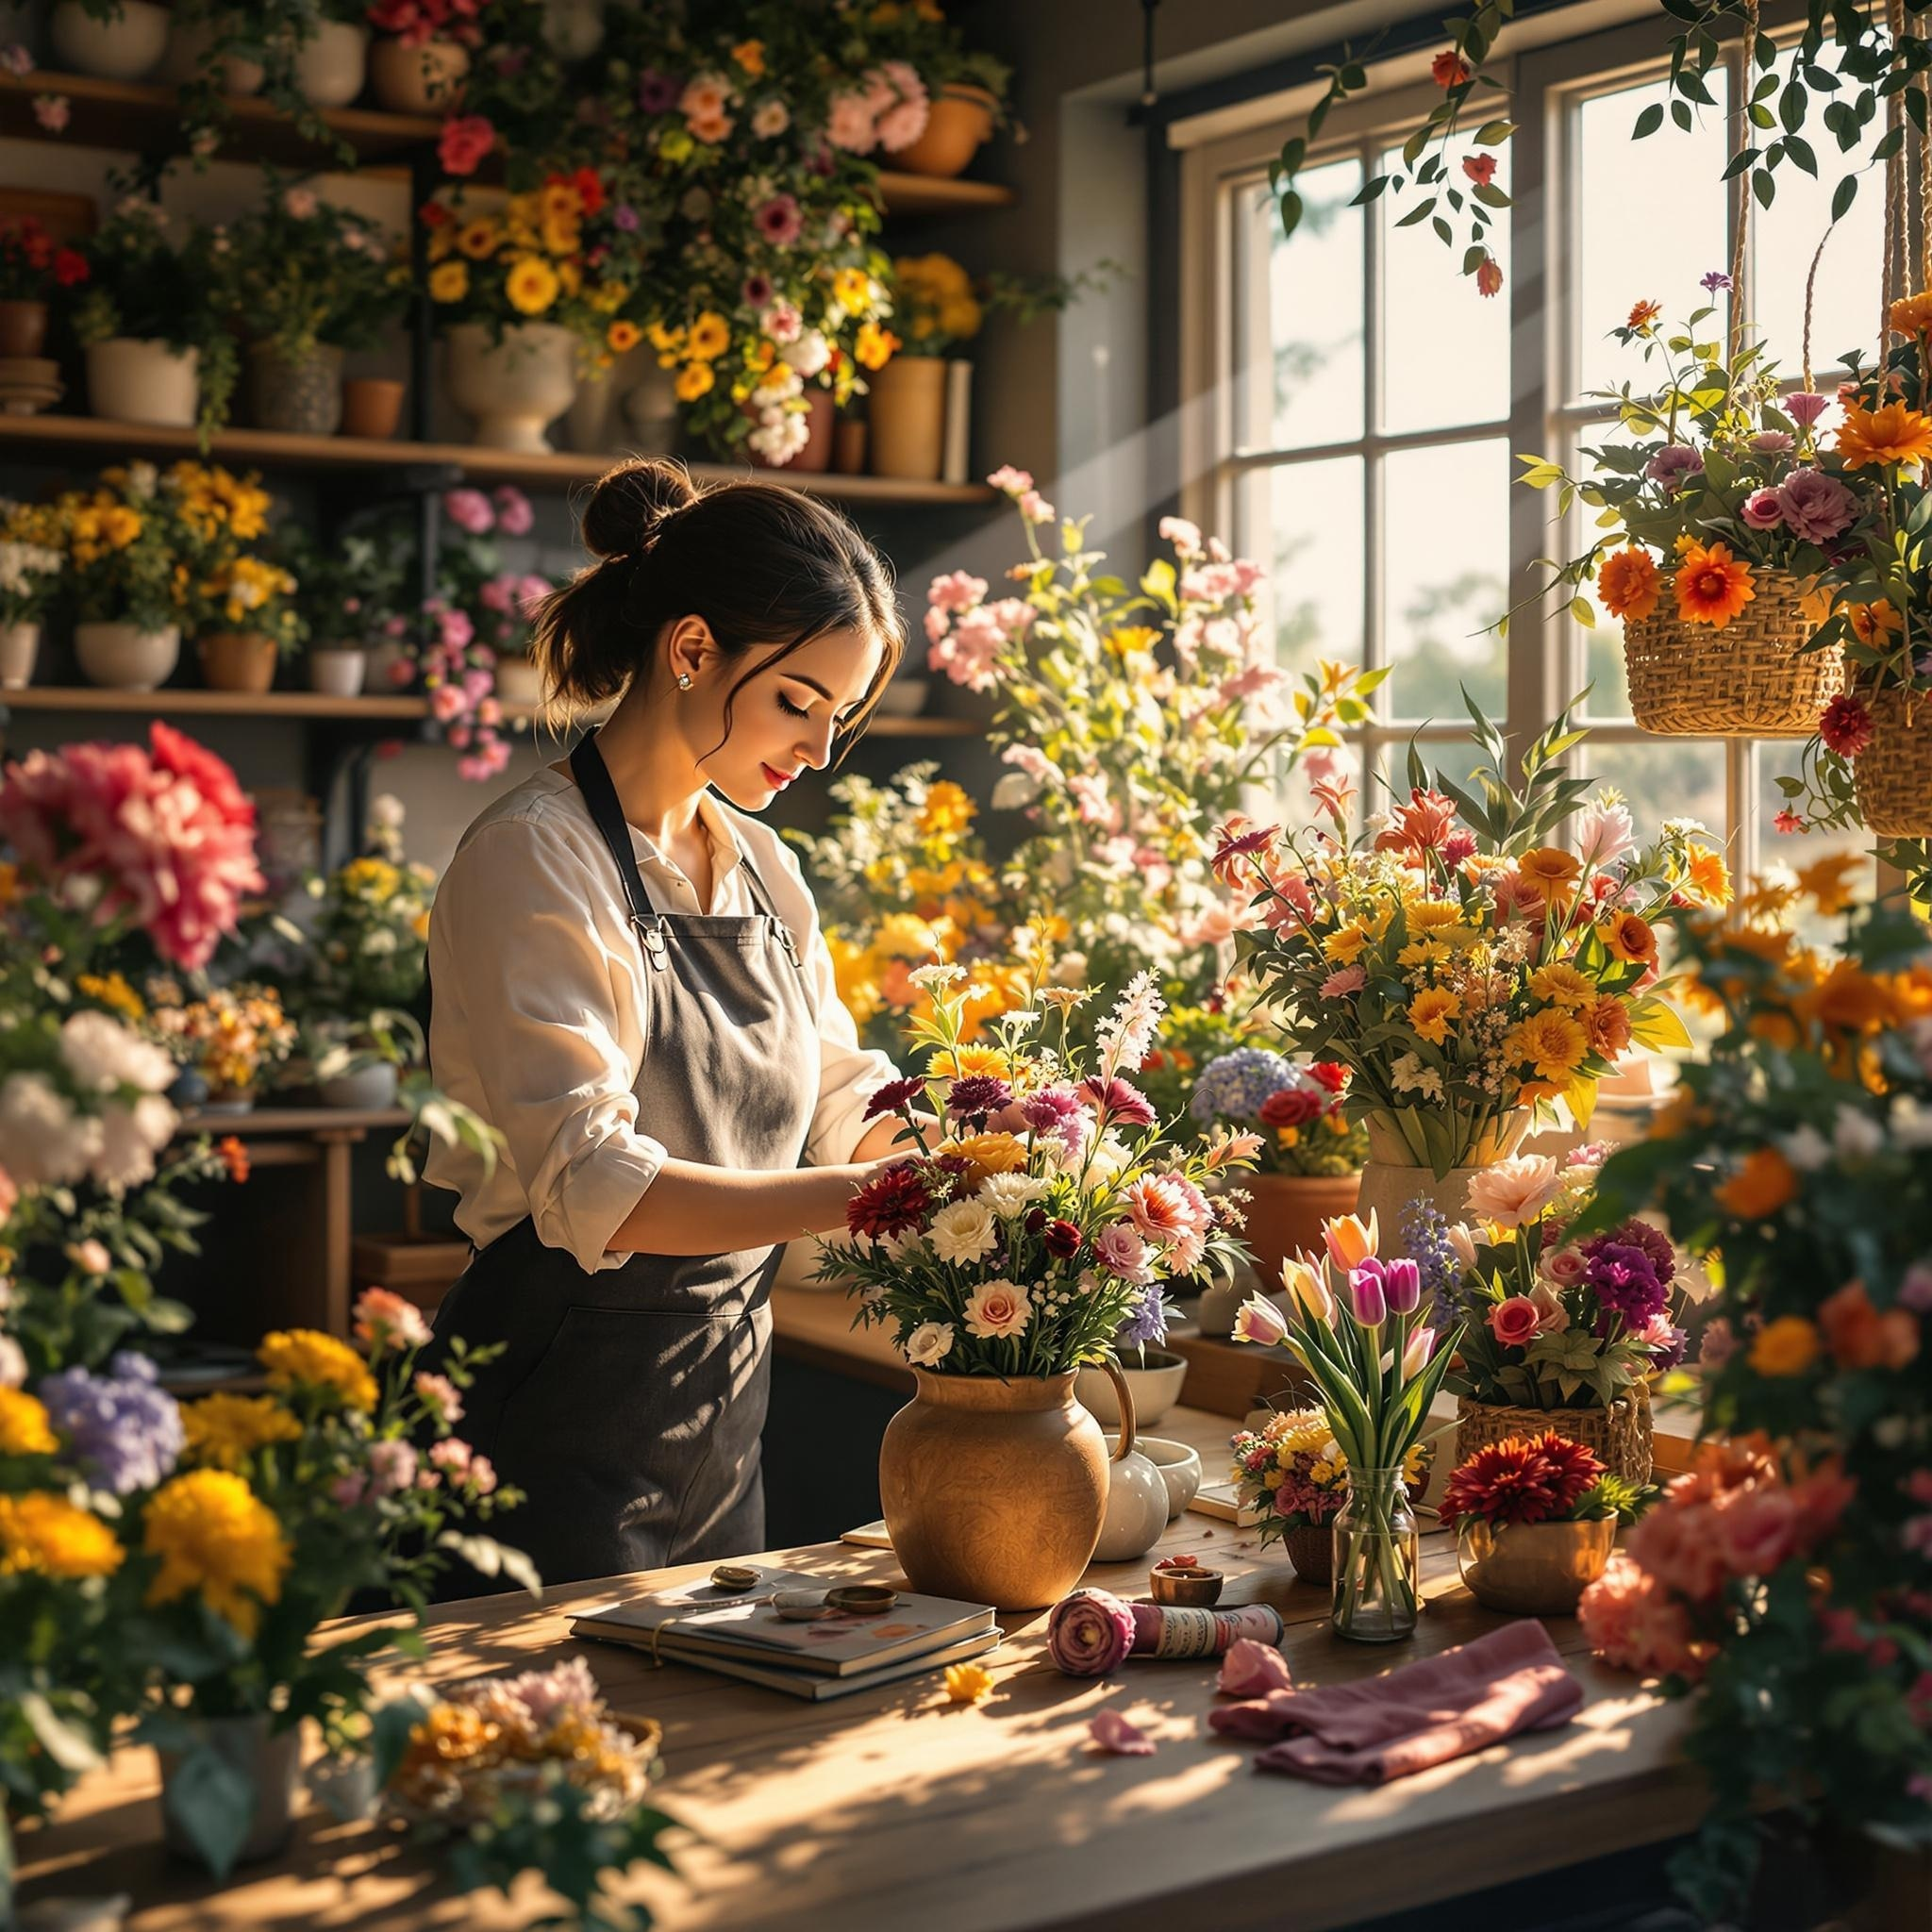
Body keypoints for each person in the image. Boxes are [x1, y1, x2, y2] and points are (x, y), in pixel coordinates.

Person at [421, 456, 914, 1591]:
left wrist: (989, 1151)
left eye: (836, 715)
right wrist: (878, 1197)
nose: (818, 749)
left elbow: (844, 1101)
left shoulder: (761, 868)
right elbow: (601, 1186)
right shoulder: (536, 856)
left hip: (716, 1440)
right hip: (537, 1447)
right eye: (798, 700)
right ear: (691, 650)